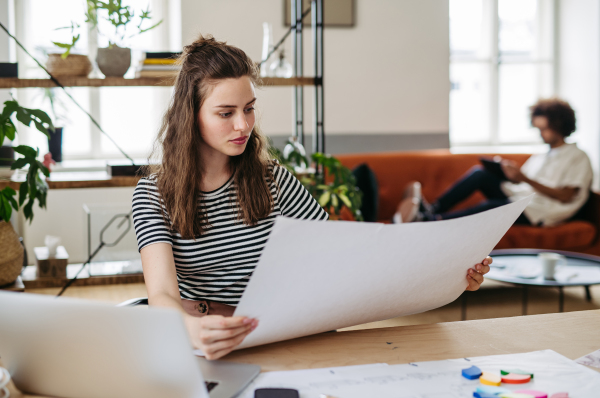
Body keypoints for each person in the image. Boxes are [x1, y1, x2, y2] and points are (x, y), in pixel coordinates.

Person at [132, 35, 492, 360]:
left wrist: (449, 272)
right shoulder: (153, 195)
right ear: (190, 116)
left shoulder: (273, 179)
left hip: (287, 331)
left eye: (249, 108)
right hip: (206, 340)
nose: (243, 125)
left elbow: (339, 258)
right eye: (226, 113)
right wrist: (193, 331)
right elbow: (161, 295)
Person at [395, 98, 593, 227]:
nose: (541, 134)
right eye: (538, 129)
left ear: (560, 125)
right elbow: (522, 183)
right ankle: (432, 210)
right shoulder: (542, 155)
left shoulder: (578, 156)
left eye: (545, 129)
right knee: (480, 174)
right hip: (520, 198)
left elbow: (566, 196)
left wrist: (524, 178)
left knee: (492, 206)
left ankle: (431, 222)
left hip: (539, 212)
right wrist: (508, 173)